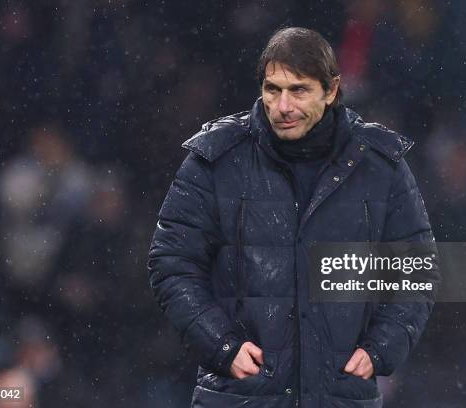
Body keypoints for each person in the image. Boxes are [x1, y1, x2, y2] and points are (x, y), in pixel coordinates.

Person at [148, 27, 439, 408]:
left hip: (340, 396)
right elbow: (172, 264)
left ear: (331, 90)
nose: (283, 106)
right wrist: (222, 345)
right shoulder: (216, 161)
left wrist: (380, 349)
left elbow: (414, 269)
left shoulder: (379, 166)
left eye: (298, 90)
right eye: (272, 89)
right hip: (240, 398)